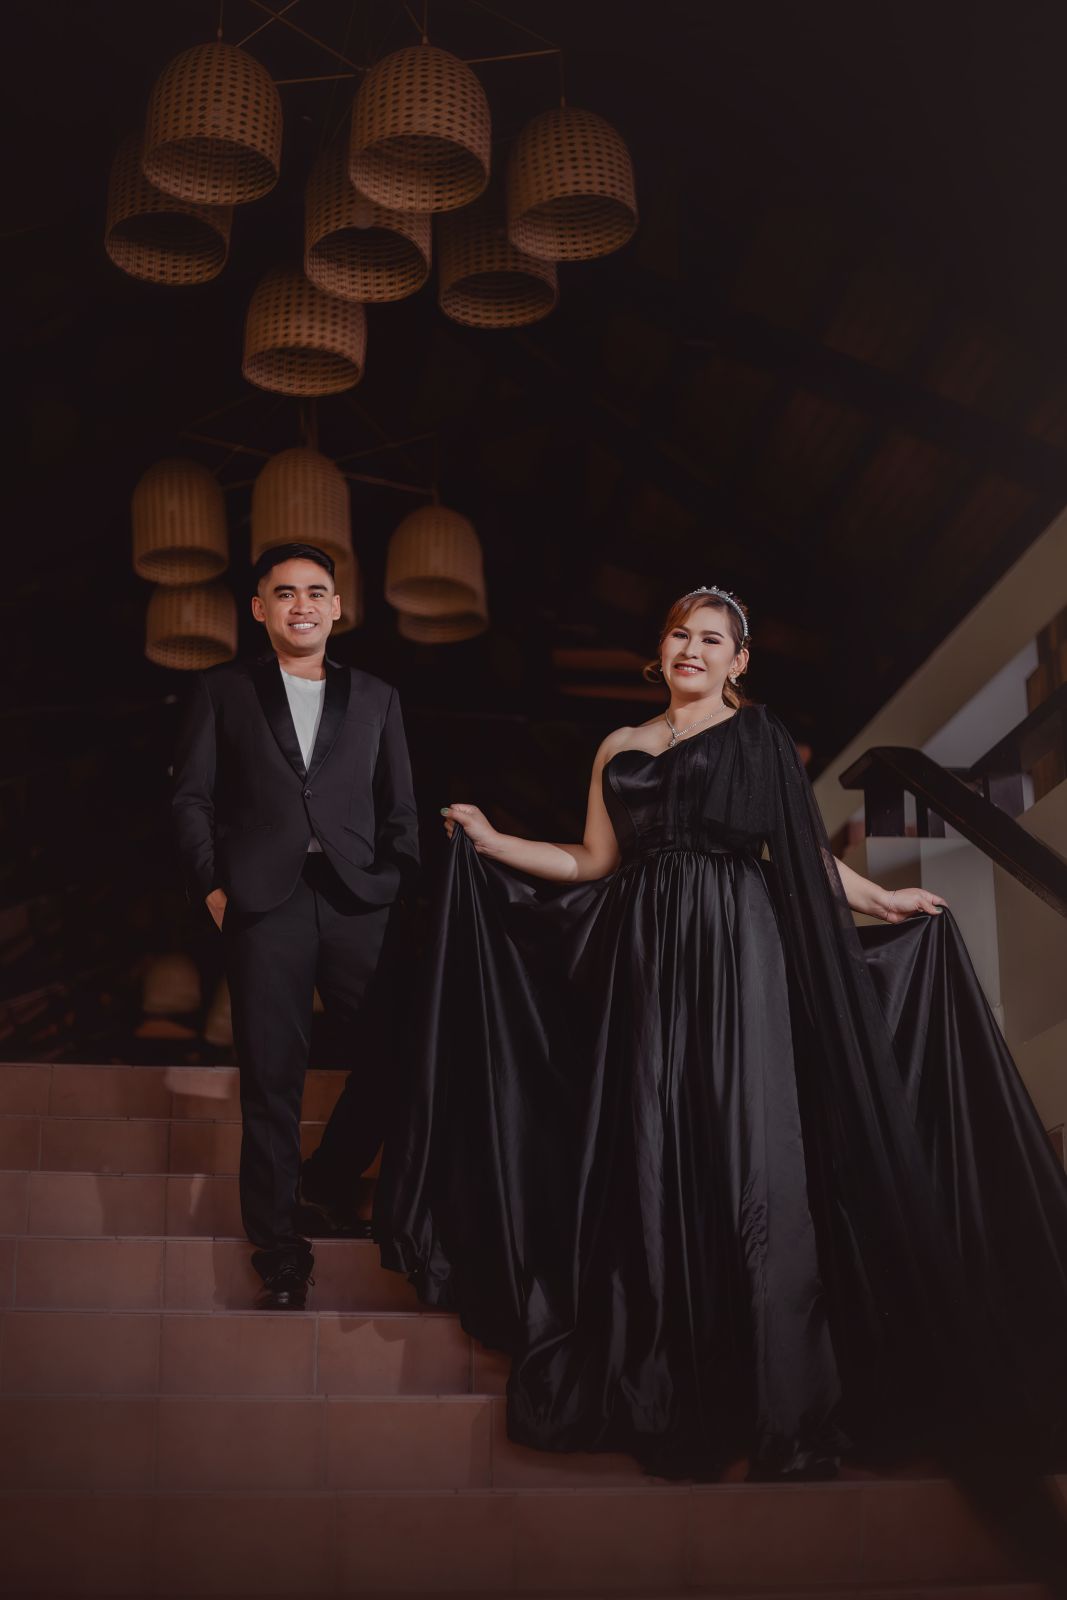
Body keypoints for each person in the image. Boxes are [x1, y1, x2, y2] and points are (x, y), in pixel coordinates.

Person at [376, 585, 1067, 1480]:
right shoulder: (618, 745)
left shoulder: (756, 736)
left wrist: (880, 897)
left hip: (739, 945)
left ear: (737, 661)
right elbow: (591, 861)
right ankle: (664, 1372)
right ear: (660, 650)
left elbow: (802, 855)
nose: (691, 649)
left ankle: (785, 1398)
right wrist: (496, 841)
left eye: (711, 640)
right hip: (642, 957)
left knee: (750, 1148)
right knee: (652, 1142)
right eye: (679, 635)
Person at [172, 543, 418, 1309]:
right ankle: (280, 1254)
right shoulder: (221, 690)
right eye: (284, 593)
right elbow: (190, 797)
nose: (301, 604)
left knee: (399, 1056)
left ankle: (329, 1180)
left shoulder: (376, 696)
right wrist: (213, 887)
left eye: (316, 592)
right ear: (259, 609)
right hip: (263, 903)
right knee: (271, 1078)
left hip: (358, 902)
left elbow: (400, 807)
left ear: (338, 607)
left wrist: (395, 882)